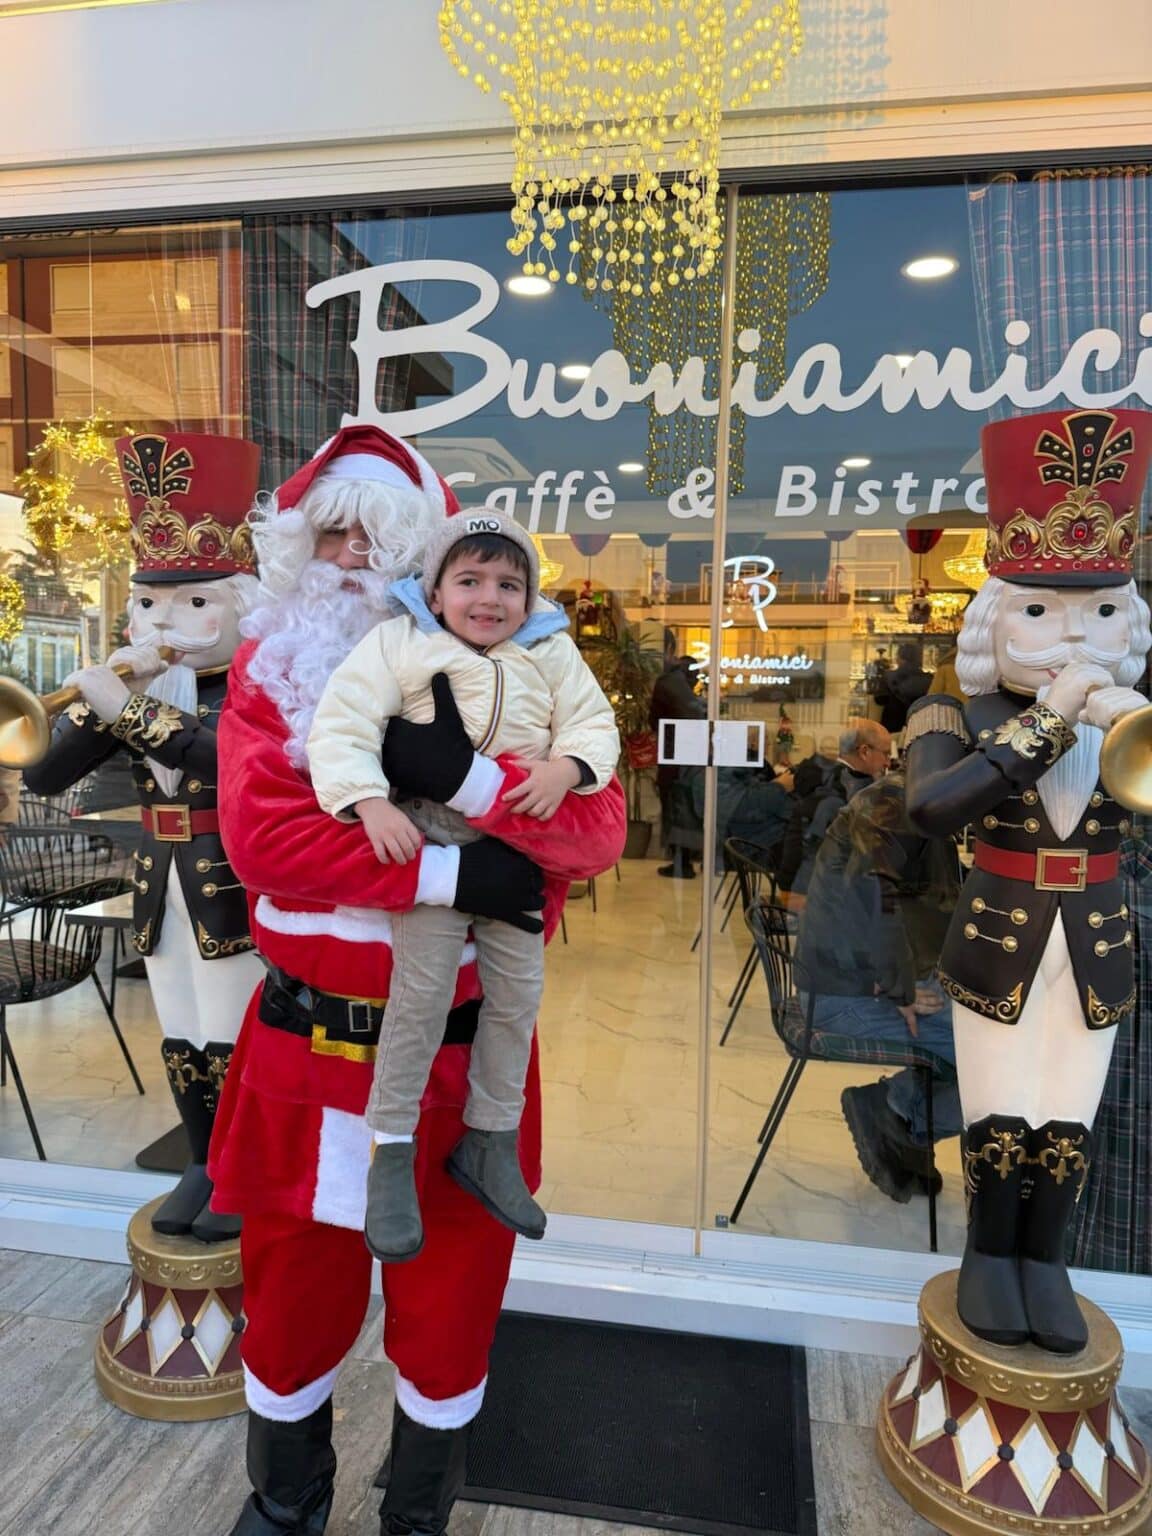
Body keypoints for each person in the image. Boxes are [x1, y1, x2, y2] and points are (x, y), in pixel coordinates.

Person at [210, 424, 626, 1536]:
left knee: (451, 1308)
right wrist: (456, 872)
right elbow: (266, 842)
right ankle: (285, 1502)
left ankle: (417, 1516)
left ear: (424, 560)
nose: (351, 556)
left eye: (378, 535)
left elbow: (593, 832)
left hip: (458, 1051)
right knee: (290, 1298)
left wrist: (471, 787)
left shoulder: (525, 675)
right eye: (330, 534)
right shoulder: (270, 672)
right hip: (305, 1048)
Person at [904, 406, 1152, 1354]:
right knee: (998, 1100)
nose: (1073, 636)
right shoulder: (949, 711)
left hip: (1097, 939)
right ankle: (988, 1252)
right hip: (998, 932)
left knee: (1070, 1107)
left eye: (1102, 612)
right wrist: (1050, 718)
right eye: (1039, 612)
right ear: (994, 619)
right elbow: (934, 809)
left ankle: (1045, 1258)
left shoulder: (1133, 716)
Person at [306, 509, 619, 1259]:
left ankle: (490, 1138)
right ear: (435, 591)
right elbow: (343, 724)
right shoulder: (400, 642)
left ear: (529, 597)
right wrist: (368, 800)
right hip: (429, 833)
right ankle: (391, 1149)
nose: (489, 598)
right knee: (421, 995)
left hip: (518, 843)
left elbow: (593, 722)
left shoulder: (550, 651)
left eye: (509, 584)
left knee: (518, 998)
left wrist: (565, 769)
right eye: (469, 580)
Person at [23, 431, 264, 1243]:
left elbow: (227, 761)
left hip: (232, 880)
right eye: (151, 603)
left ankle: (238, 1169)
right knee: (181, 1027)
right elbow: (44, 776)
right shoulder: (143, 686)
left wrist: (127, 708)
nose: (167, 621)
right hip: (159, 883)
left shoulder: (258, 687)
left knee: (233, 1028)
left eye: (196, 603)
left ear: (242, 606)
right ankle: (200, 1158)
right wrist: (96, 707)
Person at [795, 771, 963, 1201]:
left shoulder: (905, 797)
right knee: (995, 1057)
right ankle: (897, 1110)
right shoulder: (894, 803)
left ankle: (900, 1113)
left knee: (990, 1038)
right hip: (842, 994)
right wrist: (899, 987)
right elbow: (878, 891)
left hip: (850, 977)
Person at [775, 719, 891, 897]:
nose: (888, 763)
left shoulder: (828, 778)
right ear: (864, 752)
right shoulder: (845, 793)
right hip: (809, 898)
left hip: (798, 885)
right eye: (886, 754)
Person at [649, 627, 704, 878]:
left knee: (675, 806)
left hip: (675, 756)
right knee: (683, 807)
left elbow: (656, 720)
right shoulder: (681, 681)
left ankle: (681, 863)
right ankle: (684, 860)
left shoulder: (668, 681)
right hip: (686, 756)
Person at [873, 642, 931, 734]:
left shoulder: (888, 676)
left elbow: (879, 699)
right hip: (918, 726)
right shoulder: (929, 679)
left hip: (892, 725)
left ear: (900, 658)